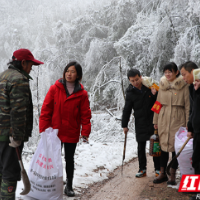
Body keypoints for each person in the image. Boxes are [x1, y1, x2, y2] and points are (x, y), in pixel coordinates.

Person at [39, 61, 91, 197]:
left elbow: (85, 114)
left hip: (71, 131)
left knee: (69, 158)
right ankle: (52, 184)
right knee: (53, 158)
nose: (69, 74)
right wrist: (43, 129)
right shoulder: (54, 89)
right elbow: (46, 110)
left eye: (73, 71)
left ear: (78, 75)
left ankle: (69, 185)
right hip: (55, 131)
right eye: (67, 71)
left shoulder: (82, 94)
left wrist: (85, 132)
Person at [0, 49, 44, 199]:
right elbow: (18, 111)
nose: (31, 68)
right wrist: (17, 136)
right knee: (10, 173)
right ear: (23, 62)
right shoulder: (19, 79)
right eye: (31, 64)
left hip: (1, 134)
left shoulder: (3, 76)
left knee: (1, 170)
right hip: (9, 137)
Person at [153, 62, 190, 185]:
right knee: (163, 147)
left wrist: (187, 123)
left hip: (178, 120)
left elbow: (187, 106)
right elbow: (157, 104)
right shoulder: (162, 85)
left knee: (176, 147)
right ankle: (162, 173)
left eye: (170, 72)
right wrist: (155, 121)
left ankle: (172, 174)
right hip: (163, 119)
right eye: (166, 72)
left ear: (176, 72)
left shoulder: (183, 86)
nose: (168, 74)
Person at [122, 68, 160, 178]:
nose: (135, 82)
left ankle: (157, 168)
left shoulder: (149, 87)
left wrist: (154, 94)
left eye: (137, 79)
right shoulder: (130, 93)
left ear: (140, 77)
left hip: (153, 121)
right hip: (140, 122)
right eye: (132, 80)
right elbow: (127, 109)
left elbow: (159, 101)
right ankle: (142, 169)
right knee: (141, 147)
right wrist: (125, 125)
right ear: (129, 80)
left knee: (155, 145)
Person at [180, 61, 200, 200]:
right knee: (196, 160)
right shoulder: (191, 88)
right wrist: (190, 126)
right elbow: (193, 109)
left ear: (193, 71)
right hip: (197, 130)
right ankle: (196, 191)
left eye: (184, 74)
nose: (183, 78)